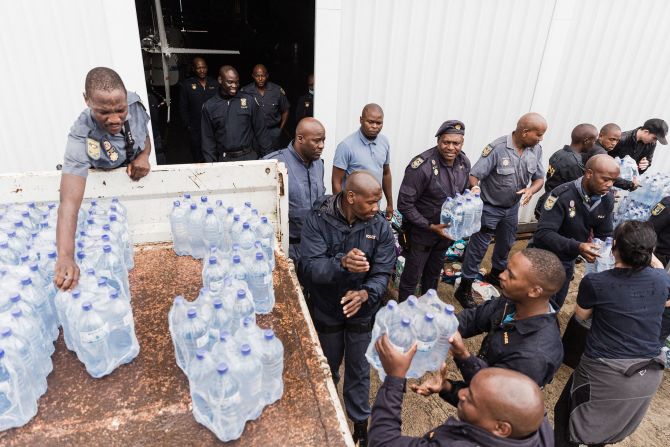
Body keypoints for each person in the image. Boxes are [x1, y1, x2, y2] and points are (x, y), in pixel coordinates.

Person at [299, 171, 396, 447]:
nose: (377, 208)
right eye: (371, 202)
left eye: (378, 202)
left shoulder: (379, 226)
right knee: (325, 367)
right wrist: (341, 263)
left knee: (359, 369)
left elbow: (382, 272)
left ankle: (360, 426)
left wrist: (366, 293)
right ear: (351, 197)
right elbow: (310, 267)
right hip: (327, 308)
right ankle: (325, 416)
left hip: (362, 313)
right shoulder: (318, 218)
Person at [554, 220, 670, 447]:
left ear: (614, 246)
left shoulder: (597, 282)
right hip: (647, 373)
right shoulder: (662, 280)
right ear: (650, 251)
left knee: (567, 419)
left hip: (604, 371)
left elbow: (581, 316)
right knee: (601, 430)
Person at [412, 248, 565, 407]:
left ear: (534, 291)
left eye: (511, 275)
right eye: (506, 268)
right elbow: (475, 318)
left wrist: (463, 356)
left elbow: (493, 400)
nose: (501, 275)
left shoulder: (533, 357)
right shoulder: (513, 301)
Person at [55, 67, 152, 290]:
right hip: (103, 188)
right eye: (104, 112)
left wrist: (144, 156)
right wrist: (65, 256)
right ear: (87, 101)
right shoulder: (81, 135)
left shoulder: (133, 104)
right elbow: (69, 201)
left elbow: (143, 135)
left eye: (120, 109)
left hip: (131, 180)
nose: (115, 119)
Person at [455, 113, 546, 308]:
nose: (541, 138)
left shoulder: (535, 150)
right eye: (538, 134)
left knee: (506, 243)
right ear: (525, 132)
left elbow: (539, 178)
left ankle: (495, 274)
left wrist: (531, 189)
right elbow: (474, 175)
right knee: (478, 249)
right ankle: (464, 287)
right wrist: (475, 188)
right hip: (490, 208)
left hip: (511, 209)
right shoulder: (496, 149)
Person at [369, 354, 554, 447]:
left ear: (501, 428)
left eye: (470, 398)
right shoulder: (532, 421)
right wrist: (447, 387)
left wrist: (395, 377)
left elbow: (382, 441)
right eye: (469, 388)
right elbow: (489, 403)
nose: (462, 394)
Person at [529, 155, 618, 308]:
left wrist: (605, 252)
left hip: (568, 260)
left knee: (556, 305)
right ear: (589, 173)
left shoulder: (606, 199)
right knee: (534, 305)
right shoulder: (561, 195)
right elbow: (543, 234)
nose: (609, 185)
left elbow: (604, 234)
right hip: (543, 258)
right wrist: (578, 247)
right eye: (605, 179)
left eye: (613, 181)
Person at [396, 120, 471, 301]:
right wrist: (430, 226)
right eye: (446, 142)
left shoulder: (463, 162)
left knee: (433, 275)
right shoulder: (422, 166)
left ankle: (427, 307)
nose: (451, 147)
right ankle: (402, 315)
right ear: (438, 140)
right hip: (422, 233)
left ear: (462, 143)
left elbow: (461, 193)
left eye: (456, 143)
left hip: (445, 233)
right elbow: (404, 204)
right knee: (412, 278)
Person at [263, 117, 326, 262]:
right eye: (316, 141)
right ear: (300, 139)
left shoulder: (319, 164)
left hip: (314, 248)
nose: (321, 145)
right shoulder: (273, 165)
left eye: (323, 140)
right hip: (286, 250)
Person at [332, 104, 394, 219]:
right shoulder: (346, 146)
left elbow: (386, 173)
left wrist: (390, 203)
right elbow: (337, 182)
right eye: (370, 122)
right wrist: (340, 211)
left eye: (379, 123)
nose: (374, 126)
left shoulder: (384, 142)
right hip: (353, 212)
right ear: (361, 120)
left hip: (375, 209)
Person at [201, 65, 271, 162]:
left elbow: (262, 133)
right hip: (225, 160)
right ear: (220, 80)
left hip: (249, 157)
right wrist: (211, 166)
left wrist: (269, 160)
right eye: (230, 82)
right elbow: (208, 140)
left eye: (237, 82)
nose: (234, 86)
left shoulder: (249, 101)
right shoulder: (210, 106)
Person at [533, 123, 597, 219]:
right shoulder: (575, 163)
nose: (594, 144)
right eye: (594, 141)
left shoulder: (558, 153)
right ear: (586, 141)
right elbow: (579, 191)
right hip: (558, 207)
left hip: (547, 201)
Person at [242, 64, 290, 154]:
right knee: (255, 159)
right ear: (253, 76)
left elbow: (285, 110)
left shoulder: (277, 90)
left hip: (272, 132)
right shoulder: (246, 91)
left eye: (263, 76)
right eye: (257, 76)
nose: (260, 79)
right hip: (254, 133)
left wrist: (280, 129)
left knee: (273, 158)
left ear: (267, 76)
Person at [179, 57, 217, 162]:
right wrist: (188, 125)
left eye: (203, 67)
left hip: (213, 126)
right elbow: (183, 107)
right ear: (194, 69)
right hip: (196, 127)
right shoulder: (187, 85)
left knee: (214, 152)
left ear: (207, 68)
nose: (202, 70)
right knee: (198, 154)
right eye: (198, 68)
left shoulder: (214, 83)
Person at [583, 123, 638, 191]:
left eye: (617, 140)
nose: (614, 143)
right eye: (612, 139)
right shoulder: (601, 153)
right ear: (600, 136)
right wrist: (630, 184)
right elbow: (610, 176)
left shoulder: (592, 145)